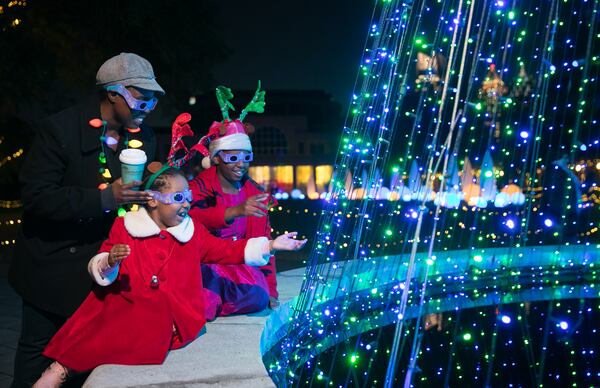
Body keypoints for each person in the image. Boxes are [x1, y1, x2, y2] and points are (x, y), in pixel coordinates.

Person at [32, 166, 306, 387]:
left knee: (131, 327)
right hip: (125, 301)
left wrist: (270, 245)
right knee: (103, 321)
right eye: (178, 198)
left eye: (188, 197)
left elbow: (226, 250)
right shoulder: (125, 226)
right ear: (153, 199)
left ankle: (66, 367)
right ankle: (62, 368)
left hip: (171, 312)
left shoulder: (192, 231)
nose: (186, 203)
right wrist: (110, 260)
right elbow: (101, 266)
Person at [9, 52, 163, 387]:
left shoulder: (145, 137)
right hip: (50, 267)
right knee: (39, 354)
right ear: (113, 92)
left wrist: (156, 191)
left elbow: (137, 197)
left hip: (105, 266)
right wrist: (107, 198)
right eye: (141, 96)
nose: (148, 106)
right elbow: (37, 197)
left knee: (91, 358)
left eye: (153, 99)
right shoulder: (60, 128)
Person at [186, 83, 282, 319]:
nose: (241, 164)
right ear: (217, 158)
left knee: (258, 297)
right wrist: (233, 212)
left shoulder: (254, 193)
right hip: (204, 266)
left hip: (240, 268)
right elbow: (185, 220)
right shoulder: (197, 188)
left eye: (246, 157)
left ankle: (219, 301)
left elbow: (264, 243)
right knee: (204, 303)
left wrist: (271, 290)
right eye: (232, 157)